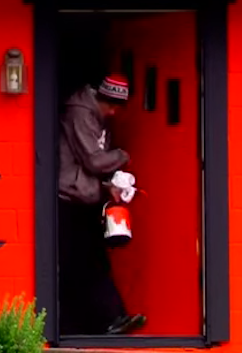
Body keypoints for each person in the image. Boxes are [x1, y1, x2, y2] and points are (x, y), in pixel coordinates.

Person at [58, 75, 146, 335]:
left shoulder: (94, 116)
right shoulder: (81, 114)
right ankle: (109, 319)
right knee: (87, 262)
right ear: (103, 100)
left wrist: (110, 185)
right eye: (112, 106)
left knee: (87, 262)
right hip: (70, 198)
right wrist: (122, 155)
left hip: (84, 196)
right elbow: (93, 162)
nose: (114, 112)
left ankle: (105, 320)